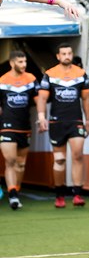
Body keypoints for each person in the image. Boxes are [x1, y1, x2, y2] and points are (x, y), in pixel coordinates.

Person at [36, 43, 89, 209]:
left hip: (75, 121)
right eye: (63, 54)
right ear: (58, 56)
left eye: (69, 53)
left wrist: (88, 120)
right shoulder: (50, 75)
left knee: (78, 156)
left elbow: (86, 99)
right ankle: (59, 195)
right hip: (56, 122)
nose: (67, 56)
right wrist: (41, 117)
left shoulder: (81, 74)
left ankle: (77, 194)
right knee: (59, 160)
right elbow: (42, 98)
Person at [0, 51, 37, 210]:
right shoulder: (2, 81)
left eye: (25, 62)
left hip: (25, 127)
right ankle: (13, 195)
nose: (23, 65)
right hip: (7, 127)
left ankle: (16, 190)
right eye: (20, 62)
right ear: (12, 63)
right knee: (11, 161)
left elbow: (38, 99)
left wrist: (42, 116)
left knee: (21, 165)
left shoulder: (31, 79)